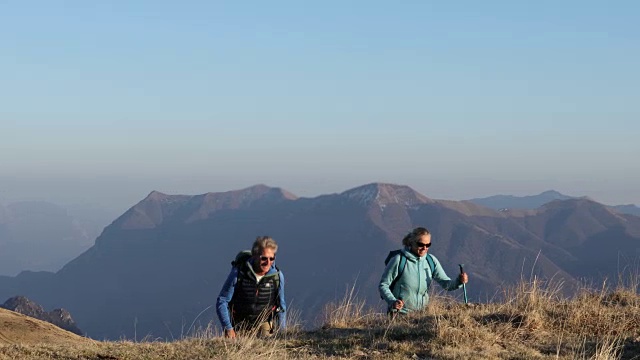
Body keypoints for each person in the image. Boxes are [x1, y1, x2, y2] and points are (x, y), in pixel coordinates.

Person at [379, 227, 468, 314]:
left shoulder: (431, 261)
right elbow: (383, 285)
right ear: (411, 242)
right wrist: (392, 301)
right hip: (399, 314)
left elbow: (446, 284)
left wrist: (459, 282)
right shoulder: (398, 260)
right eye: (421, 244)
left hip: (422, 315)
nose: (424, 248)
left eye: (428, 245)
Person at [216, 236, 286, 338]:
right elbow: (222, 301)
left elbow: (281, 306)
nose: (268, 262)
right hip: (240, 324)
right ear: (254, 256)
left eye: (271, 258)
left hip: (265, 324)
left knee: (266, 349)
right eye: (264, 258)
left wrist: (282, 332)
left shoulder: (277, 277)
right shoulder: (238, 274)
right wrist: (228, 328)